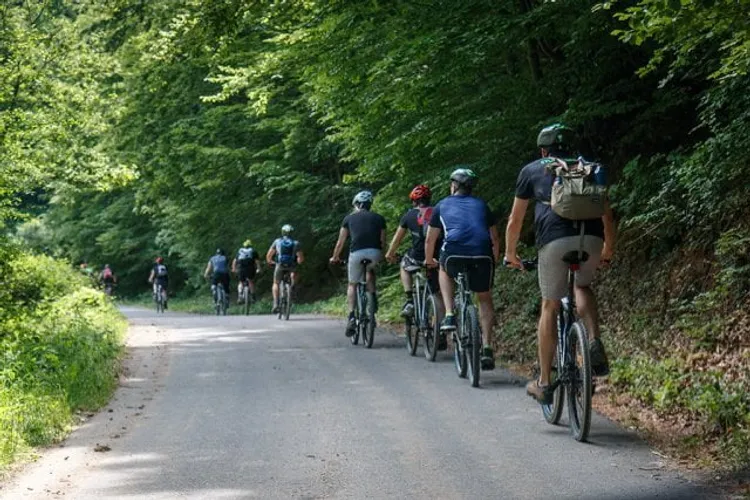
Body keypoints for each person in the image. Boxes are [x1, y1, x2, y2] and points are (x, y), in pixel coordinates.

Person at [504, 123, 615, 404]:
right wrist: (607, 250)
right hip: (590, 238)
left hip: (554, 241)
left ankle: (543, 381)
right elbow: (607, 216)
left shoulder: (532, 170)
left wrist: (510, 254)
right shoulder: (590, 168)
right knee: (583, 285)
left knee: (550, 305)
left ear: (543, 149)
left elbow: (516, 220)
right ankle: (592, 340)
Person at [424, 167, 501, 370]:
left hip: (454, 252)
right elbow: (494, 238)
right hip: (482, 254)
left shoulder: (441, 205)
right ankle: (486, 347)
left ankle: (449, 313)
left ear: (454, 186)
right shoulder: (482, 205)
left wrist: (428, 260)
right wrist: (494, 259)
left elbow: (430, 239)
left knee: (442, 268)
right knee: (484, 298)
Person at [385, 184, 445, 340]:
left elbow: (397, 239)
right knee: (437, 294)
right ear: (429, 199)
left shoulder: (409, 216)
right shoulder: (438, 212)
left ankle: (410, 298)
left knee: (404, 264)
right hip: (436, 258)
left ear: (414, 201)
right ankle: (441, 334)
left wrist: (390, 254)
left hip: (417, 257)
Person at [329, 191, 387, 336]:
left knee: (352, 284)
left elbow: (340, 241)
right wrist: (382, 255)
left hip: (357, 253)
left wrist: (335, 257)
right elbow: (383, 241)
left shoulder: (348, 218)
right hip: (375, 252)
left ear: (356, 204)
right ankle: (372, 300)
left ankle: (351, 317)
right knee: (370, 272)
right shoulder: (379, 218)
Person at [266, 225, 304, 314]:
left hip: (280, 264)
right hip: (291, 264)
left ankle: (275, 303)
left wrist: (270, 262)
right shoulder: (296, 243)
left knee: (276, 283)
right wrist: (298, 262)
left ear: (282, 232)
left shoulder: (277, 242)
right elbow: (301, 258)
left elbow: (269, 256)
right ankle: (292, 287)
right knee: (295, 272)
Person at [233, 239, 261, 304]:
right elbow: (257, 262)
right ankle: (253, 297)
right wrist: (259, 269)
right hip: (250, 268)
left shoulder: (240, 251)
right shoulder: (253, 251)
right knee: (250, 281)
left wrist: (234, 269)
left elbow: (234, 261)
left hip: (241, 268)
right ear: (250, 245)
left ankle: (240, 296)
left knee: (240, 282)